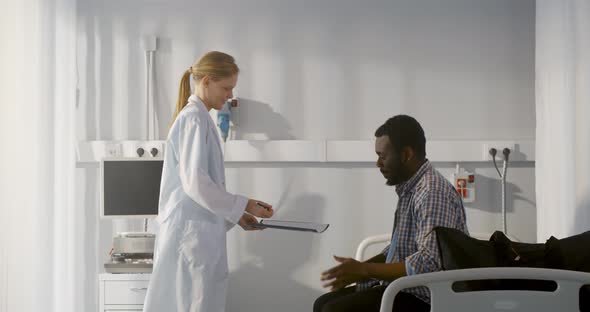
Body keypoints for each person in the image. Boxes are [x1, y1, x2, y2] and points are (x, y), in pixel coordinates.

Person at [143, 51, 274, 312]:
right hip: (189, 236)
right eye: (226, 88)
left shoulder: (201, 118)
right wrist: (244, 204)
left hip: (197, 233)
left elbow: (203, 184)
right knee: (193, 303)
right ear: (206, 80)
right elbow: (196, 182)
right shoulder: (193, 118)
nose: (229, 96)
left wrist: (236, 216)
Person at [314, 115, 469, 312]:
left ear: (406, 154)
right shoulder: (411, 189)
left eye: (382, 156)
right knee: (321, 304)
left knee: (333, 310)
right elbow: (399, 250)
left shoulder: (432, 192)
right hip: (403, 289)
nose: (378, 163)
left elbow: (430, 262)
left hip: (427, 298)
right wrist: (358, 270)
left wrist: (365, 270)